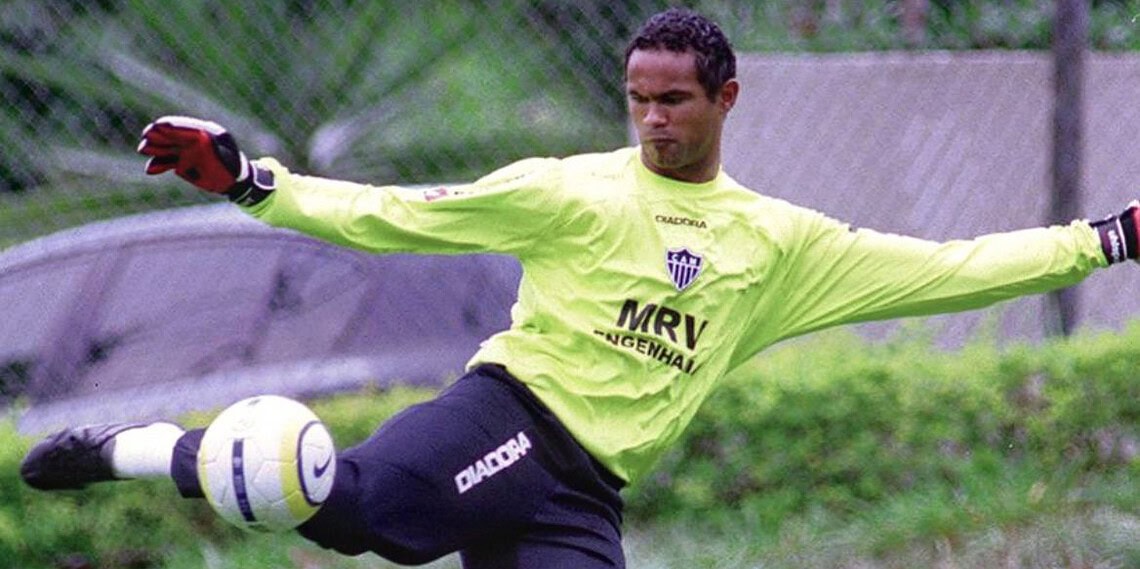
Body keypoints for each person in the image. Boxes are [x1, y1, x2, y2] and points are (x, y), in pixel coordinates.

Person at [19, 7, 1138, 568]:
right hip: (506, 414)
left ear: (727, 100)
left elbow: (949, 271)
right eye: (638, 97)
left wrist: (1107, 238)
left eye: (676, 101)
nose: (653, 118)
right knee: (350, 507)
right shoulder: (571, 192)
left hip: (588, 495)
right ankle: (137, 447)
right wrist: (253, 182)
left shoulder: (780, 244)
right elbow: (404, 217)